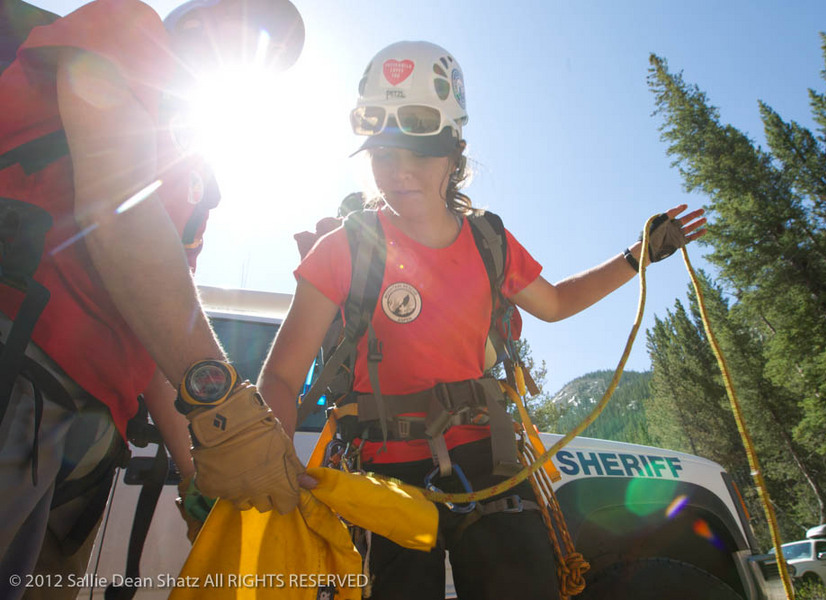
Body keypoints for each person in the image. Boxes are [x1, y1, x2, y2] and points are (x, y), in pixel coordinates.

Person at [259, 40, 706, 600]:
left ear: (454, 154)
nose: (397, 171)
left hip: (488, 461)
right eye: (382, 154)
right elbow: (279, 377)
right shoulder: (341, 249)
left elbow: (557, 303)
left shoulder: (489, 242)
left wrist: (637, 256)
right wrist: (272, 467)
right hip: (381, 475)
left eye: (418, 153)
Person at [0, 0, 307, 597]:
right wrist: (232, 411)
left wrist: (198, 472)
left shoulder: (195, 175)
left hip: (88, 441)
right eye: (257, 32)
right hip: (17, 366)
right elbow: (118, 212)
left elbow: (162, 317)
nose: (262, 57)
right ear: (196, 20)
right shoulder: (125, 25)